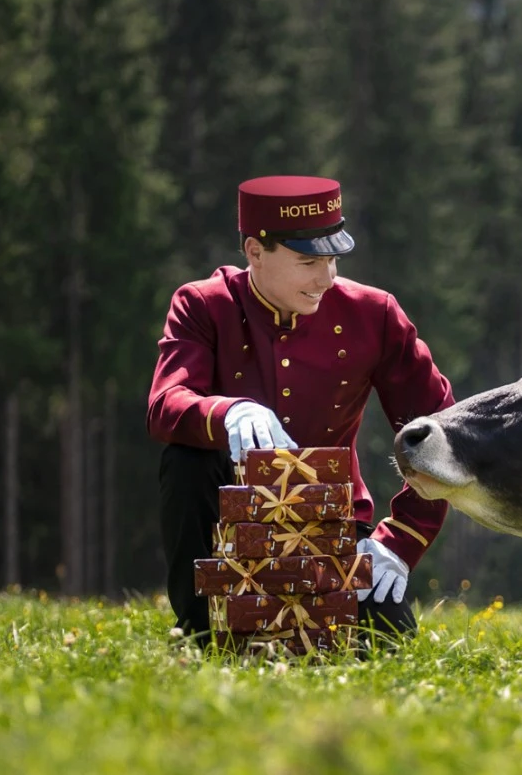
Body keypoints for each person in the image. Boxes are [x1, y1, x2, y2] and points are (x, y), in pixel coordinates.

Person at [147, 175, 453, 643]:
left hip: (333, 523)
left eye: (332, 259)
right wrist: (227, 412)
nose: (326, 278)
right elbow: (166, 403)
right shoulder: (202, 305)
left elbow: (439, 431)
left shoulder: (375, 314)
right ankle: (197, 630)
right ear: (254, 252)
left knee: (389, 646)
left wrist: (400, 541)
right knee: (185, 458)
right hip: (226, 524)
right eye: (308, 261)